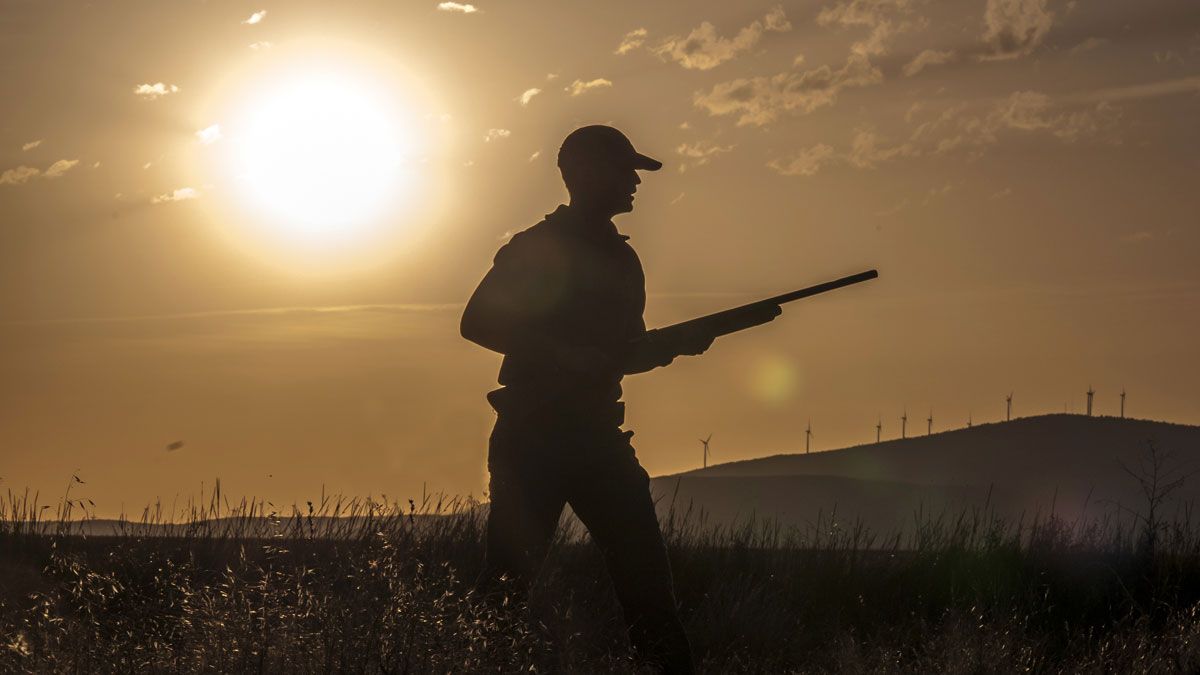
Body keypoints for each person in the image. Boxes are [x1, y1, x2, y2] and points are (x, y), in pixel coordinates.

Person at [460, 125, 779, 673]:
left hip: (598, 439)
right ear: (582, 175)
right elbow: (477, 322)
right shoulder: (539, 248)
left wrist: (679, 344)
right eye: (623, 169)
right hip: (533, 438)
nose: (634, 180)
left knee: (647, 584)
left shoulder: (622, 260)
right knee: (508, 589)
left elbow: (623, 353)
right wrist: (563, 354)